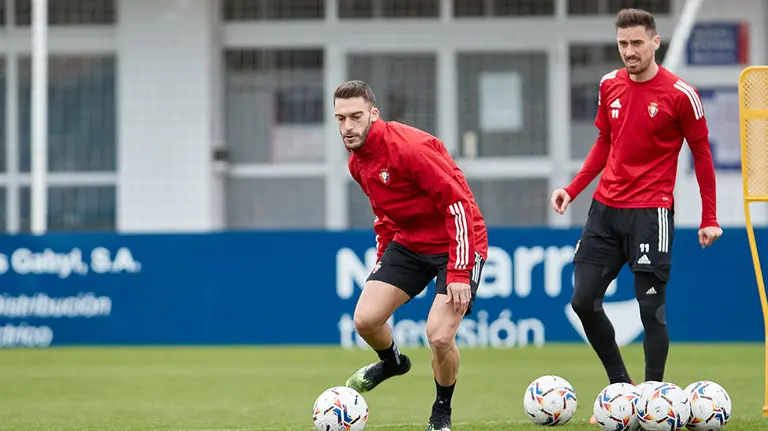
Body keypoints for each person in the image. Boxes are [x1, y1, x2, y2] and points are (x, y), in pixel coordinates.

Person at [549, 8, 723, 425]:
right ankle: (621, 390)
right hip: (605, 212)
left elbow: (702, 155)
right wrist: (572, 190)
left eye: (637, 43)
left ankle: (653, 400)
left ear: (655, 42)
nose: (629, 51)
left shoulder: (681, 94)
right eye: (623, 43)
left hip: (651, 213)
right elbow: (604, 143)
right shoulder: (609, 85)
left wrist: (709, 216)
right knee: (583, 300)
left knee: (651, 312)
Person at [334, 79, 488, 431]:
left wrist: (461, 270)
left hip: (457, 243)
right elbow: (384, 216)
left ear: (374, 114)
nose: (347, 126)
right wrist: (382, 263)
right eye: (340, 119)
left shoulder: (409, 148)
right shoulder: (357, 164)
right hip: (410, 244)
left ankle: (441, 414)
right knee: (365, 320)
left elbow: (459, 205)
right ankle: (392, 363)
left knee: (438, 336)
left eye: (355, 116)